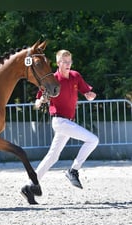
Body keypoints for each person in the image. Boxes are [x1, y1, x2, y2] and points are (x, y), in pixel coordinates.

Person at [21, 49, 99, 205]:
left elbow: (88, 93)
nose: (68, 64)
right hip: (60, 122)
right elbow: (37, 102)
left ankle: (29, 186)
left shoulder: (76, 76)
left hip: (67, 122)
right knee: (93, 140)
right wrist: (42, 100)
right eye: (64, 62)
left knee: (53, 157)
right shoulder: (52, 79)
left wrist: (91, 96)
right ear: (58, 63)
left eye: (69, 61)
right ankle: (74, 170)